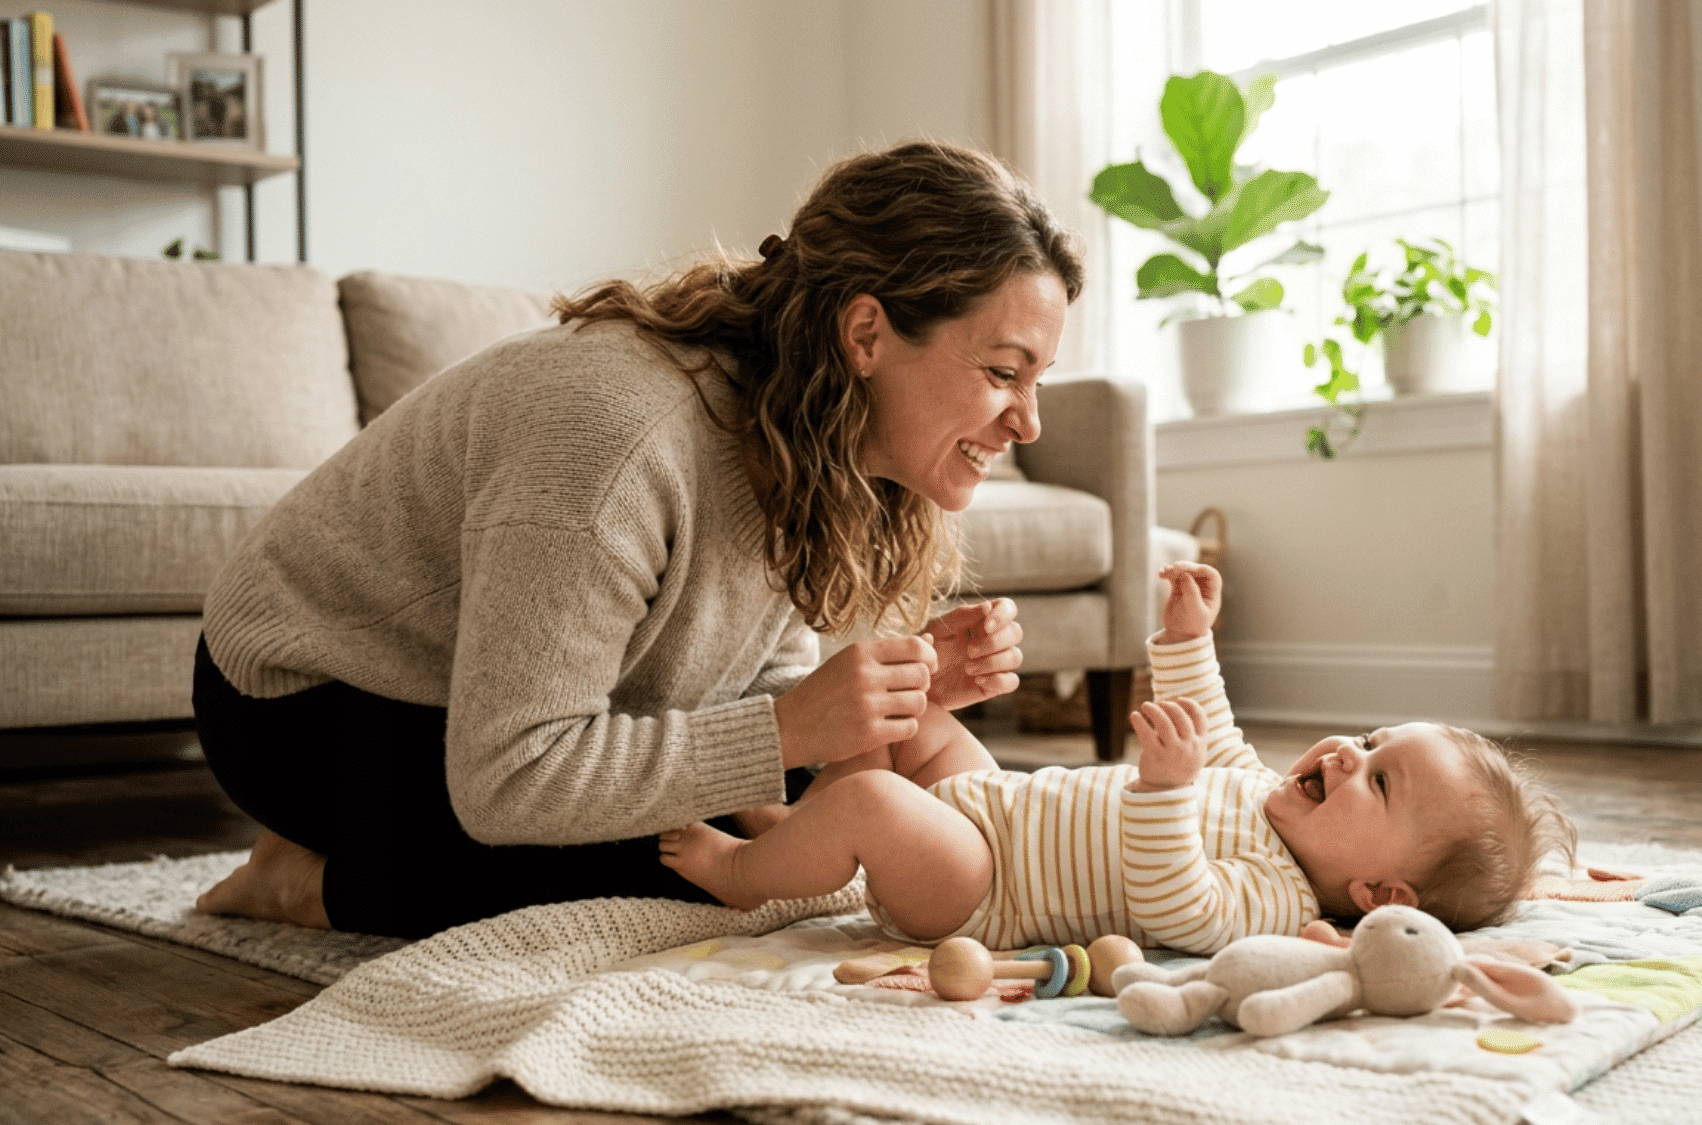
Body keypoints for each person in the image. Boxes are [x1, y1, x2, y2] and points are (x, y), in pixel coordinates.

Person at [191, 140, 1083, 939]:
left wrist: (872, 706)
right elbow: (510, 774)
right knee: (671, 872)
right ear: (866, 333)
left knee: (779, 840)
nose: (1029, 422)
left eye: (1036, 379)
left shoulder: (805, 430)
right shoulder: (619, 437)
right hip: (302, 696)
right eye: (1004, 373)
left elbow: (748, 667)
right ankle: (300, 878)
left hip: (488, 701)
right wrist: (782, 736)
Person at [660, 562, 1578, 952]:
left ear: (1380, 895)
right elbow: (1206, 723)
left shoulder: (1277, 901)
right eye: (1373, 738)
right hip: (994, 801)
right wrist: (1187, 640)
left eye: (1379, 778)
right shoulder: (1264, 792)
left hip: (984, 889)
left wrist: (1165, 793)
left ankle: (752, 870)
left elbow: (1175, 905)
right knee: (910, 718)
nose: (1349, 749)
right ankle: (798, 828)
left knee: (876, 809)